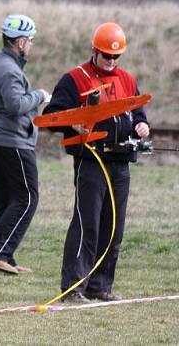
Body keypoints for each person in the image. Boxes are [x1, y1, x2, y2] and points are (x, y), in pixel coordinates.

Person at [43, 22, 149, 303]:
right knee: (86, 223)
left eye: (116, 56)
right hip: (91, 162)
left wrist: (141, 126)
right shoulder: (74, 79)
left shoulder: (127, 79)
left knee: (114, 227)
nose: (111, 61)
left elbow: (137, 112)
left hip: (120, 163)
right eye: (106, 55)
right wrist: (73, 124)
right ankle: (73, 288)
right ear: (94, 50)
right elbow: (52, 114)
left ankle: (99, 286)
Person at [0, 14, 50, 275]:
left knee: (7, 198)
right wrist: (39, 95)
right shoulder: (8, 69)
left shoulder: (0, 63)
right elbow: (15, 105)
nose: (30, 45)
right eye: (29, 41)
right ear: (20, 42)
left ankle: (1, 255)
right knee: (28, 197)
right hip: (11, 141)